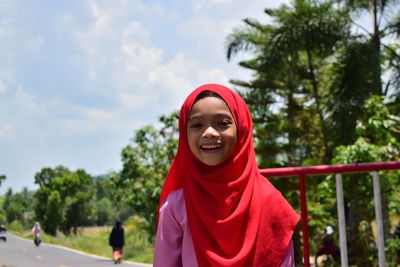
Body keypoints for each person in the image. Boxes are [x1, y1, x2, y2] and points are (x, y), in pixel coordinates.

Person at [154, 84, 300, 266]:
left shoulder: (271, 202)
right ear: (184, 133)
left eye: (222, 123)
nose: (209, 132)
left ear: (242, 128)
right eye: (197, 125)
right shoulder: (176, 206)